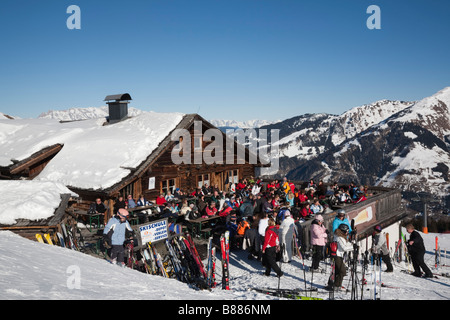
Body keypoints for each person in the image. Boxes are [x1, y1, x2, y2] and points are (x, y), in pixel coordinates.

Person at [333, 223, 354, 290]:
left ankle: (336, 284)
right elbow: (344, 248)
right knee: (342, 271)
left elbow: (346, 244)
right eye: (347, 231)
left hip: (339, 256)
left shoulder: (341, 237)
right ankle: (337, 285)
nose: (347, 233)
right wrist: (353, 247)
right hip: (337, 256)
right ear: (343, 231)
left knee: (338, 271)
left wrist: (352, 244)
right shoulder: (339, 237)